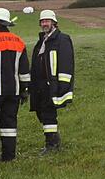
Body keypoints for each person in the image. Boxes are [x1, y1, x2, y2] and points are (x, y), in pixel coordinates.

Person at [0, 8, 32, 161]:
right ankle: (9, 156)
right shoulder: (19, 41)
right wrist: (25, 89)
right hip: (14, 90)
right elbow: (24, 70)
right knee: (9, 122)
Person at [29, 10, 74, 154]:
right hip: (39, 84)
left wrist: (63, 84)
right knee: (40, 111)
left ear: (54, 23)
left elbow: (67, 62)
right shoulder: (42, 40)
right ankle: (54, 139)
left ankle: (52, 145)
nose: (44, 24)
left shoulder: (62, 39)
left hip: (52, 84)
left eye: (47, 21)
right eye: (42, 21)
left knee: (48, 113)